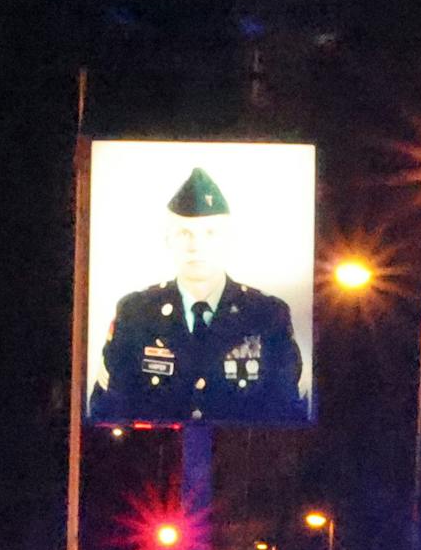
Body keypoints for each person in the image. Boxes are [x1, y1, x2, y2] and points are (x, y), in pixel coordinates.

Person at [90, 166, 309, 425]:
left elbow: (286, 414)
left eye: (210, 233)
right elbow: (109, 410)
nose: (196, 246)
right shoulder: (135, 312)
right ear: (167, 239)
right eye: (185, 233)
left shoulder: (267, 315)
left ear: (228, 239)